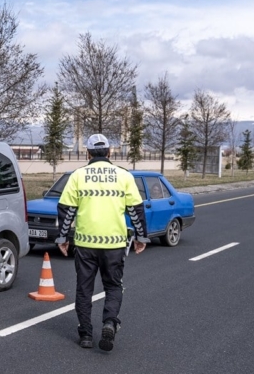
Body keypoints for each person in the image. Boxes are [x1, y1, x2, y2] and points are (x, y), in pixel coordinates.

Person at [55, 133, 149, 352]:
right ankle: (109, 322)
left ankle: (86, 334)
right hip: (114, 244)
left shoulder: (78, 176)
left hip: (85, 244)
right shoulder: (123, 176)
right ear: (109, 152)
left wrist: (62, 237)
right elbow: (136, 209)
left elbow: (66, 209)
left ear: (87, 153)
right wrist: (141, 237)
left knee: (84, 289)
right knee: (113, 286)